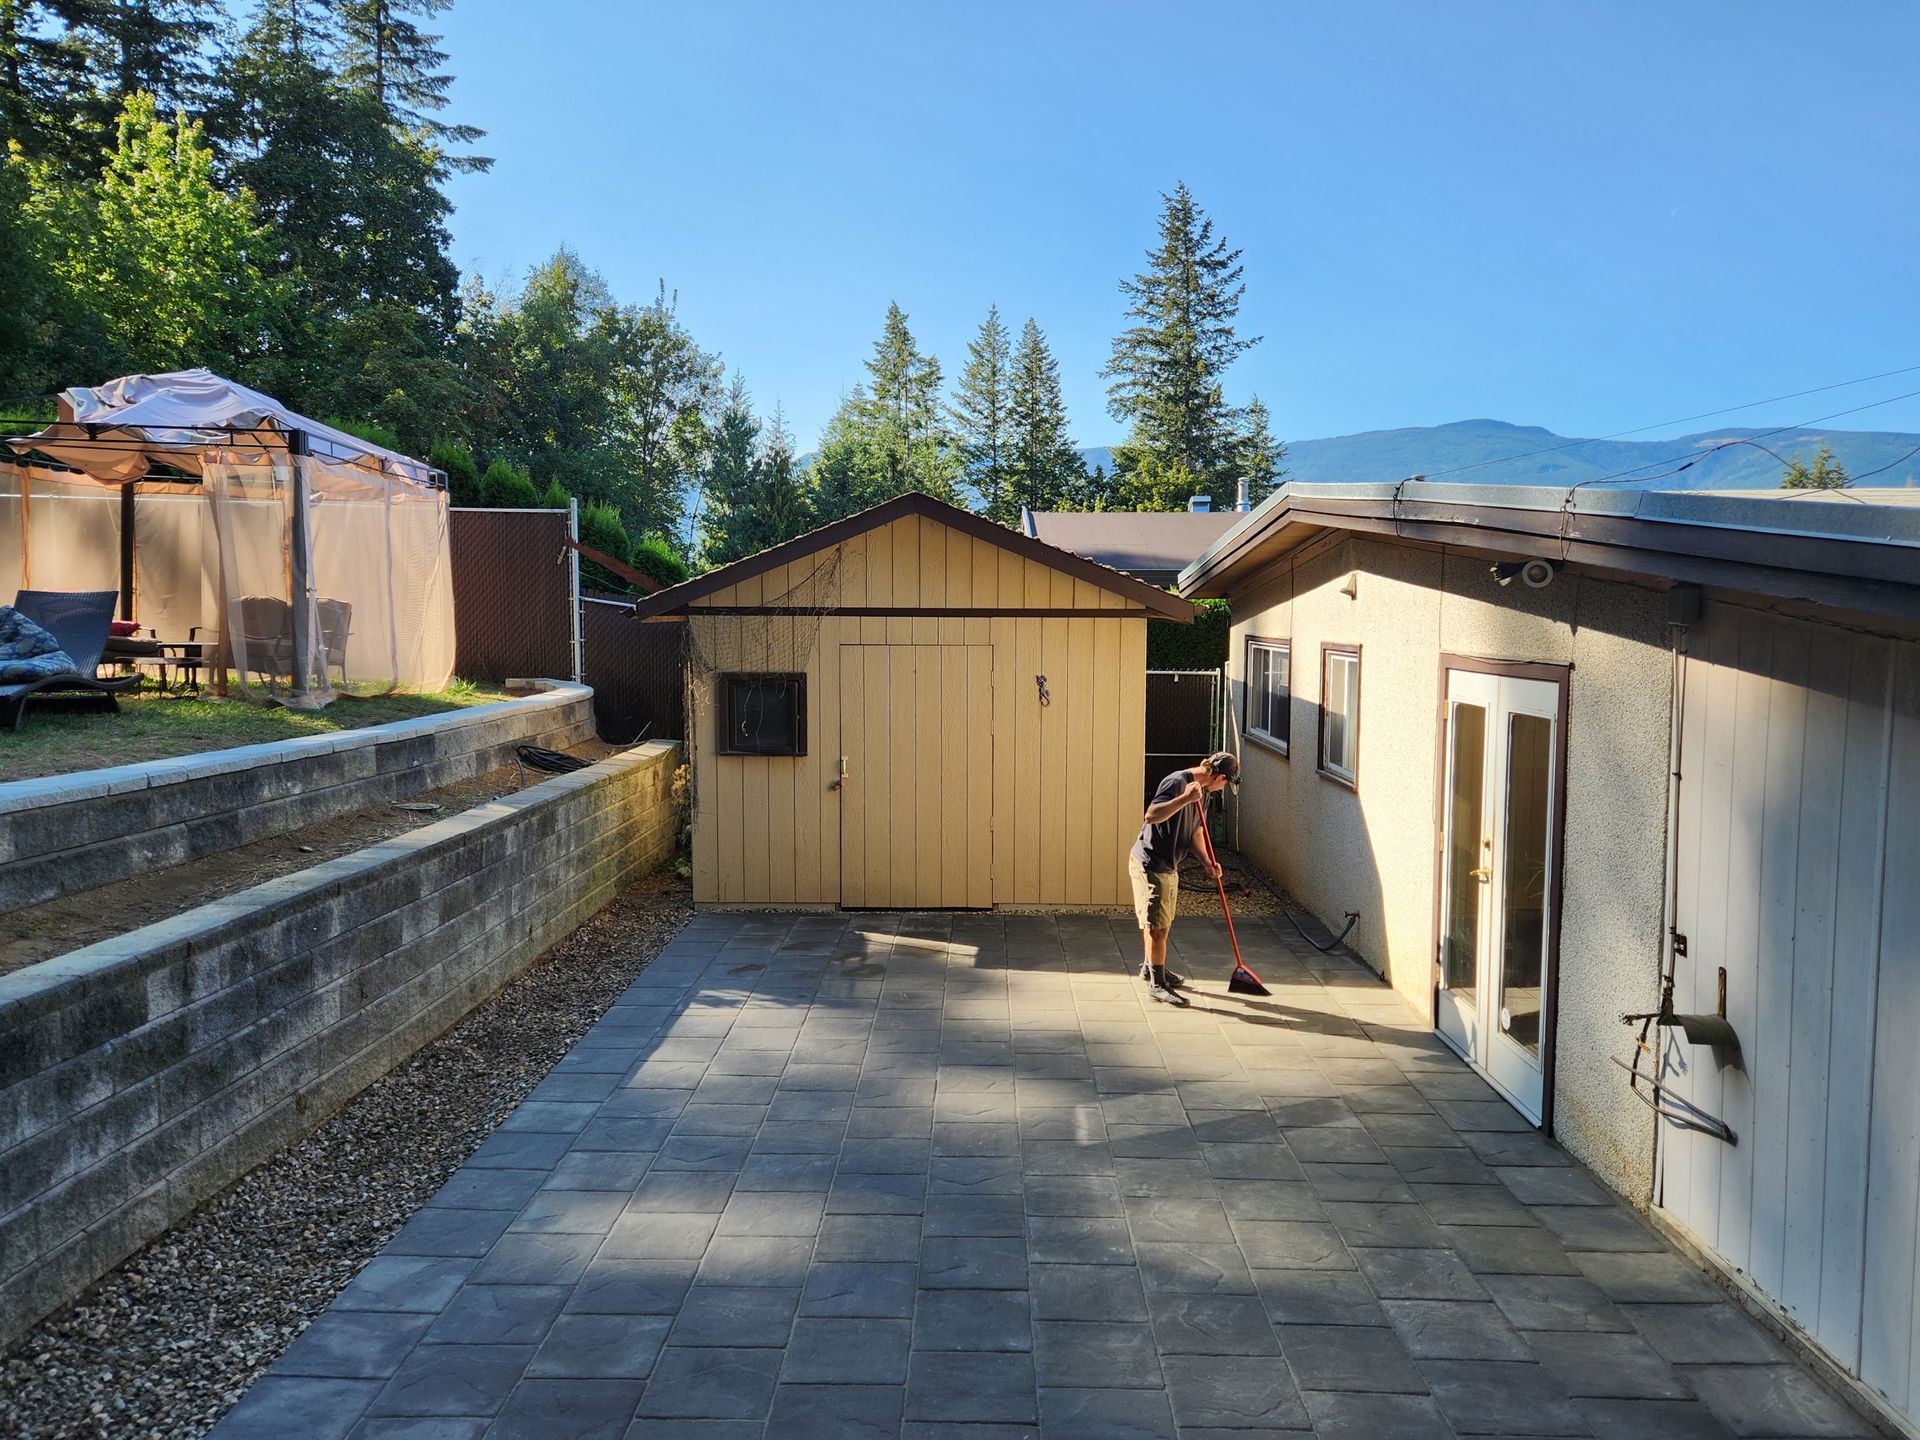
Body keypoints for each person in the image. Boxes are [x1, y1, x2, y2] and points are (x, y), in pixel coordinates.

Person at [1129, 751, 1240, 1005]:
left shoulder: (1206, 794)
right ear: (1219, 777)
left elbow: (1196, 831)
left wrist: (1207, 862)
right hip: (1151, 863)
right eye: (1225, 783)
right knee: (1158, 927)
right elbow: (1152, 815)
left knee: (1157, 921)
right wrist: (1185, 799)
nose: (1223, 788)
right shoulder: (1177, 783)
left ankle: (1151, 967)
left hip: (1168, 865)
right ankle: (1157, 985)